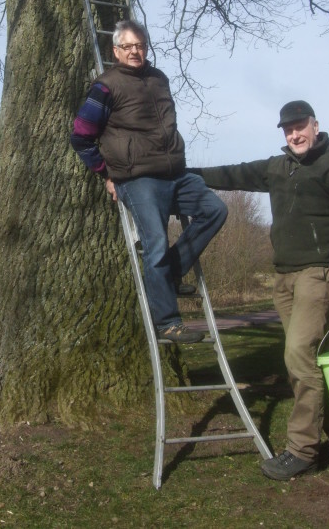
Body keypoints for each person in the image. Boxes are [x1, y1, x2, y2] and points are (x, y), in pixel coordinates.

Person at [196, 100, 329, 479]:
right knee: (313, 362)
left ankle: (302, 451)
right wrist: (185, 173)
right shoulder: (279, 168)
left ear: (315, 125)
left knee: (298, 355)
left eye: (300, 126)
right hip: (285, 279)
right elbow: (234, 173)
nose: (294, 134)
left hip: (321, 273)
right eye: (288, 129)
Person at [71, 20, 228, 344]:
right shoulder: (105, 86)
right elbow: (81, 136)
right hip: (137, 178)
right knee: (155, 241)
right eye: (127, 46)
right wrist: (106, 174)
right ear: (116, 51)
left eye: (139, 45)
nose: (134, 51)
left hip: (175, 173)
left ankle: (169, 274)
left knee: (215, 209)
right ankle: (167, 322)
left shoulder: (159, 79)